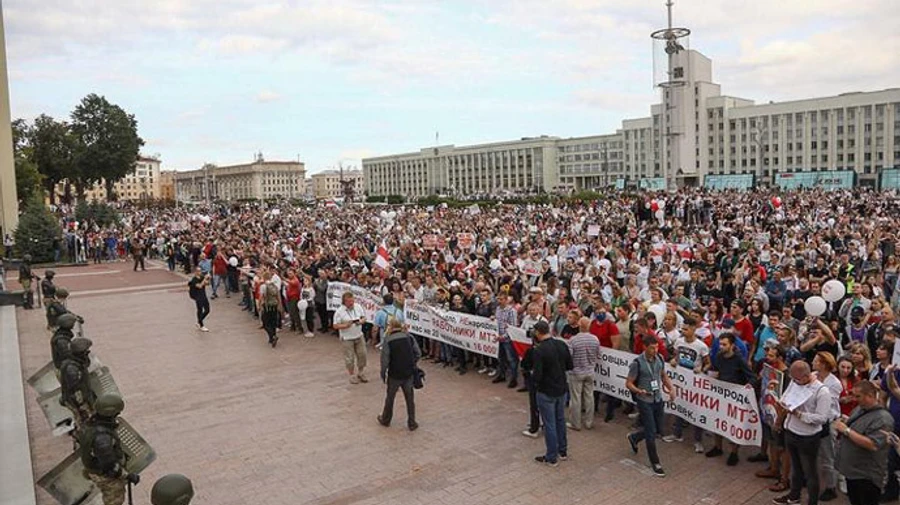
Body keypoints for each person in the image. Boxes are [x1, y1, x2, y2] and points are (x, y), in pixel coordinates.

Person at [772, 360, 833, 505]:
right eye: (793, 379)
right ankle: (794, 496)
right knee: (795, 467)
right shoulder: (795, 381)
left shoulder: (822, 391)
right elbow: (786, 398)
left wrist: (799, 414)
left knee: (810, 471)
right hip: (791, 431)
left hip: (808, 437)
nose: (795, 382)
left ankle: (812, 501)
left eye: (798, 380)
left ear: (806, 377)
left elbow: (822, 418)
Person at [834, 380, 894, 505]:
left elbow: (873, 444)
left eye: (858, 396)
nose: (855, 399)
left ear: (870, 396)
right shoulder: (860, 409)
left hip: (867, 475)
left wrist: (846, 430)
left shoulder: (883, 418)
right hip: (853, 471)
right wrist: (847, 421)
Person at [626, 333, 675, 477]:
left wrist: (671, 388)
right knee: (651, 432)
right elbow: (628, 383)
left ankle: (634, 438)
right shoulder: (637, 363)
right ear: (645, 347)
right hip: (644, 401)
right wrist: (638, 390)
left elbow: (663, 375)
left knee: (658, 429)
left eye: (657, 347)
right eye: (652, 348)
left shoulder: (659, 358)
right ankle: (655, 462)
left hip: (657, 399)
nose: (656, 351)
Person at [80, 394, 140, 505]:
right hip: (104, 474)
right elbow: (110, 466)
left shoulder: (93, 424)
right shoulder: (102, 437)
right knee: (114, 500)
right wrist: (127, 475)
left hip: (96, 467)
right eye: (116, 413)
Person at [707, 333, 755, 465]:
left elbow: (751, 376)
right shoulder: (719, 356)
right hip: (721, 394)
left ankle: (734, 452)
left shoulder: (739, 359)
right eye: (720, 344)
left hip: (735, 397)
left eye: (724, 344)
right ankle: (718, 447)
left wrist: (747, 387)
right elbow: (716, 370)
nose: (721, 347)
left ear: (732, 345)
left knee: (733, 424)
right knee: (718, 421)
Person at [532, 321, 572, 467]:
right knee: (560, 419)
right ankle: (563, 451)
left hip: (546, 391)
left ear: (537, 332)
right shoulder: (561, 345)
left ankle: (551, 456)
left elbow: (537, 375)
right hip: (561, 388)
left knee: (550, 424)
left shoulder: (539, 350)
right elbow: (569, 365)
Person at [377, 318, 421, 431]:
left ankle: (386, 419)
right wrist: (412, 362)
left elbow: (385, 359)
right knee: (410, 398)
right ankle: (412, 422)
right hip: (408, 373)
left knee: (390, 397)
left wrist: (383, 373)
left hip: (395, 374)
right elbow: (418, 353)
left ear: (390, 326)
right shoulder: (408, 336)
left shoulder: (388, 339)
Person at [566, 316, 600, 431]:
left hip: (576, 372)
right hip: (590, 371)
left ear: (579, 325)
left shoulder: (573, 340)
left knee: (576, 398)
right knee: (589, 397)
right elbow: (598, 354)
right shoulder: (595, 339)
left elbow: (569, 356)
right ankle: (589, 422)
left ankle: (576, 423)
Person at [333, 292, 368, 384]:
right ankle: (352, 375)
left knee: (362, 354)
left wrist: (361, 321)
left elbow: (364, 318)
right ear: (344, 302)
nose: (352, 303)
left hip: (359, 335)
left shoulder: (358, 307)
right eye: (349, 302)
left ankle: (361, 372)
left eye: (353, 301)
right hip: (347, 338)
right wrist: (345, 325)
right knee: (349, 357)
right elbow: (335, 325)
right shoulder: (339, 311)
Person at [59, 337, 95, 427]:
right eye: (86, 352)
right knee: (84, 422)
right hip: (77, 401)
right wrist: (83, 406)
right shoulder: (72, 369)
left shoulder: (74, 362)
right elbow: (75, 390)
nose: (88, 353)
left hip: (81, 397)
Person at [260, 278, 283, 348]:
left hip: (267, 306)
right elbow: (278, 295)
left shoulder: (263, 286)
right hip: (274, 305)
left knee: (265, 323)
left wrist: (259, 305)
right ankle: (272, 337)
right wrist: (279, 304)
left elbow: (262, 296)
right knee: (273, 322)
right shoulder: (274, 285)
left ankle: (272, 336)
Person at [187, 267, 210, 332]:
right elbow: (199, 286)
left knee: (207, 310)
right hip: (198, 297)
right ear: (196, 272)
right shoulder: (194, 280)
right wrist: (204, 279)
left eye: (200, 271)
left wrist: (208, 279)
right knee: (200, 310)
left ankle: (199, 322)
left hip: (203, 295)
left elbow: (207, 284)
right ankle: (201, 325)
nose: (200, 272)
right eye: (198, 271)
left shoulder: (202, 277)